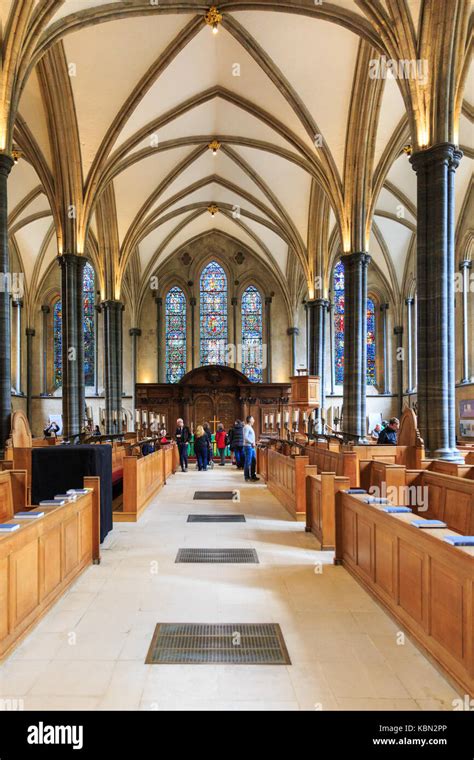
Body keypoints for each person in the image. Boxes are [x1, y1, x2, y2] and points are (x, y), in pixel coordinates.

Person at [243, 415, 259, 482]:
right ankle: (247, 476)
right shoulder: (246, 427)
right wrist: (252, 442)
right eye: (253, 419)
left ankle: (253, 475)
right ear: (250, 420)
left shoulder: (249, 427)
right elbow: (245, 437)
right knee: (248, 462)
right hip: (248, 446)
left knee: (253, 461)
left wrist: (254, 442)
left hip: (251, 446)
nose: (254, 420)